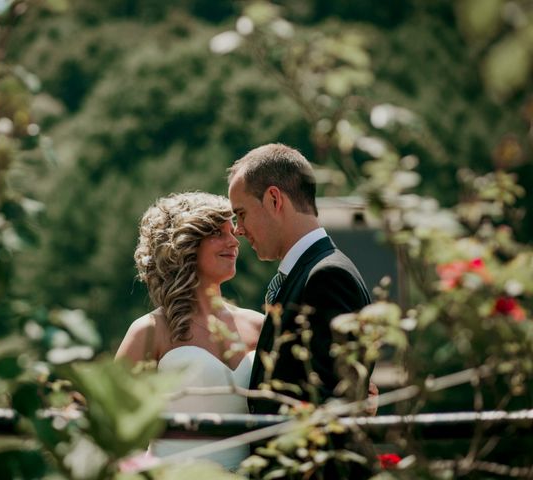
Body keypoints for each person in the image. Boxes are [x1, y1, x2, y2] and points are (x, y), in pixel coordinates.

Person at [115, 192, 263, 471]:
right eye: (218, 233)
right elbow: (112, 427)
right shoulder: (150, 331)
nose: (233, 241)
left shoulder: (260, 325)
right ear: (185, 245)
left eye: (232, 231)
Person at [227, 143, 373, 415]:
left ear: (274, 200)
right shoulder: (310, 272)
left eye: (241, 213)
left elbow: (329, 406)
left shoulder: (327, 277)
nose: (238, 230)